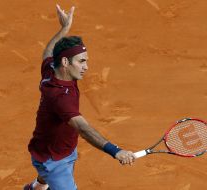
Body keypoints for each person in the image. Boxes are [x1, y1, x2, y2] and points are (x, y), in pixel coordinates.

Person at [23, 4, 135, 190]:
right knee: (50, 171)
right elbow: (84, 129)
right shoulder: (61, 98)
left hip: (51, 146)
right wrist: (116, 151)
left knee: (44, 174)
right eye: (82, 61)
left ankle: (36, 187)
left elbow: (48, 52)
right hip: (55, 160)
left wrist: (64, 29)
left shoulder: (52, 71)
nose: (86, 67)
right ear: (66, 62)